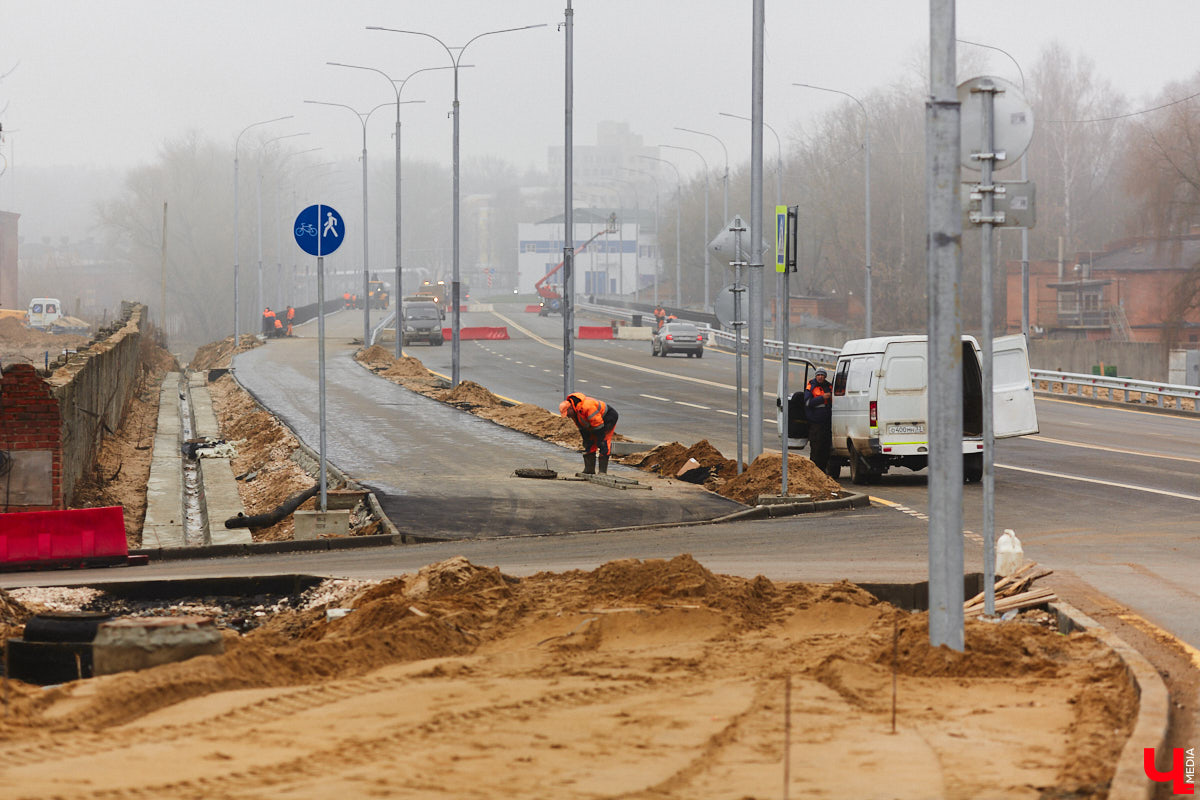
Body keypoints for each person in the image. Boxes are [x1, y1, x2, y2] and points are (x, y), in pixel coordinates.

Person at [559, 392, 619, 475]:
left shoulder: (587, 406)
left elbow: (598, 425)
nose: (568, 416)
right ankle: (589, 469)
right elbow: (581, 427)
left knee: (603, 442)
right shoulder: (575, 413)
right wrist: (586, 439)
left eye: (567, 414)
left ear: (570, 408)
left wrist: (599, 439)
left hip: (608, 418)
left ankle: (602, 471)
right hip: (596, 422)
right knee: (589, 443)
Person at [804, 367, 834, 474]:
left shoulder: (829, 386)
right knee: (816, 447)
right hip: (815, 423)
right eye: (818, 375)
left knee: (826, 448)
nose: (820, 377)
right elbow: (808, 402)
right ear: (816, 376)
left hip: (827, 423)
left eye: (822, 375)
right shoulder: (811, 386)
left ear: (825, 376)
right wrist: (822, 398)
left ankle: (823, 471)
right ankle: (814, 471)